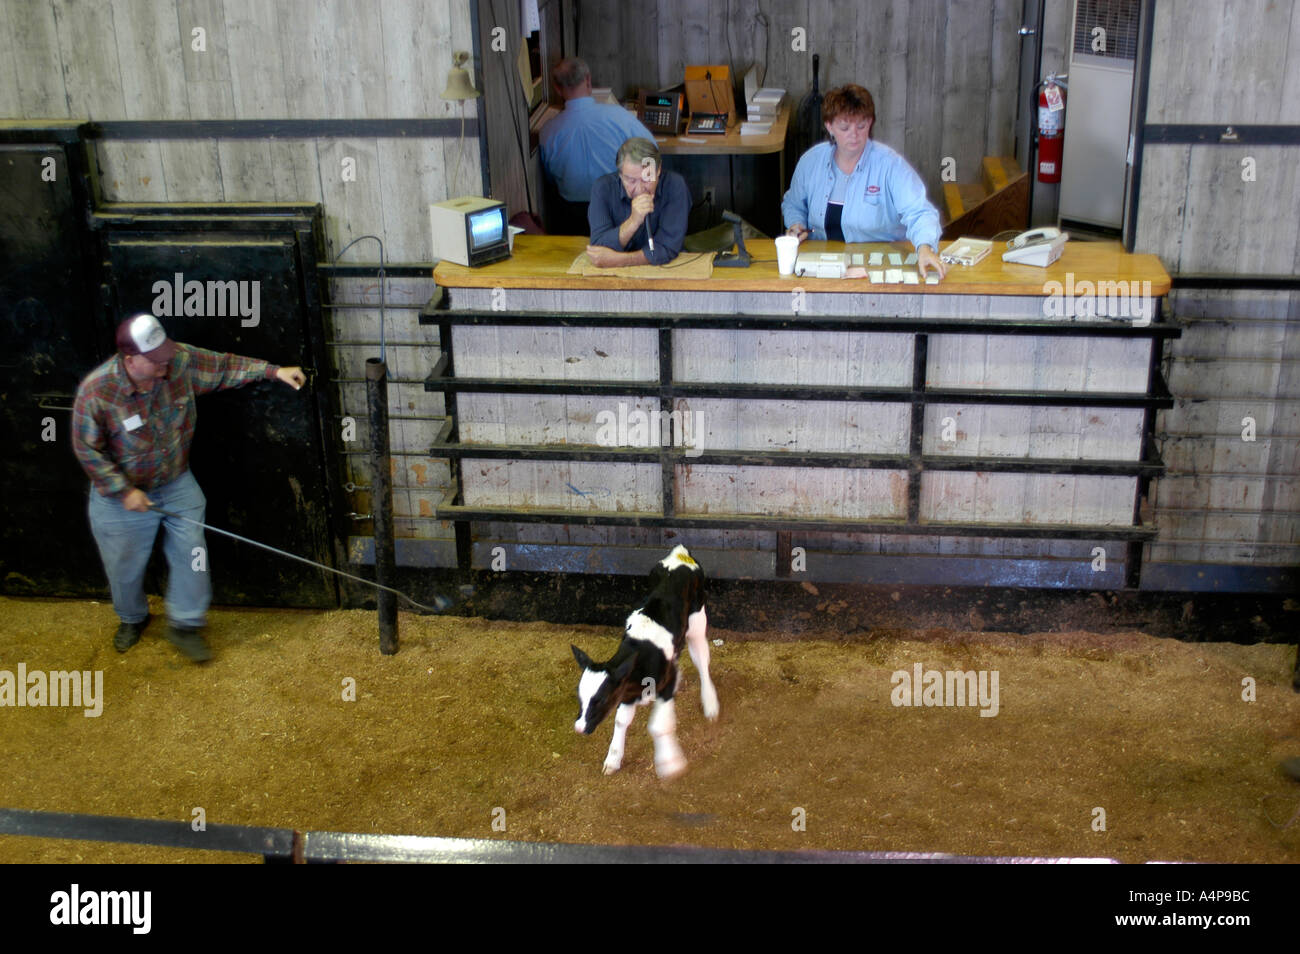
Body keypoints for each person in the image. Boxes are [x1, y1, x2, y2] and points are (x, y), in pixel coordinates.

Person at [71, 314, 306, 662]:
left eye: (165, 355)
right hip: (122, 497)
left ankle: (185, 623)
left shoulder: (179, 361)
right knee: (123, 565)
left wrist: (273, 371)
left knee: (192, 551)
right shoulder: (98, 391)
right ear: (130, 359)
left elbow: (224, 367)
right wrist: (123, 491)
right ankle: (132, 617)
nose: (165, 365)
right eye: (155, 361)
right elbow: (87, 450)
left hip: (176, 481)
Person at [782, 84, 946, 281]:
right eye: (845, 127)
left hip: (878, 266)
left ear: (870, 123)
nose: (854, 134)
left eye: (861, 125)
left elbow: (920, 212)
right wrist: (796, 224)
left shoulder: (890, 164)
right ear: (829, 126)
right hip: (820, 265)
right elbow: (793, 203)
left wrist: (925, 247)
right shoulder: (810, 161)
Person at [540, 57, 655, 235]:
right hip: (617, 214)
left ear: (557, 88)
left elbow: (550, 177)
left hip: (570, 220)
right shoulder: (618, 116)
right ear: (588, 80)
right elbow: (652, 150)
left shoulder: (548, 132)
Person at [586, 137, 690, 268]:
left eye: (647, 179)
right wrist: (633, 222)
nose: (640, 189)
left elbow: (667, 248)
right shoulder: (603, 188)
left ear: (658, 170)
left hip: (664, 270)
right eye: (631, 181)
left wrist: (619, 260)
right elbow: (598, 249)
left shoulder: (674, 185)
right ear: (620, 175)